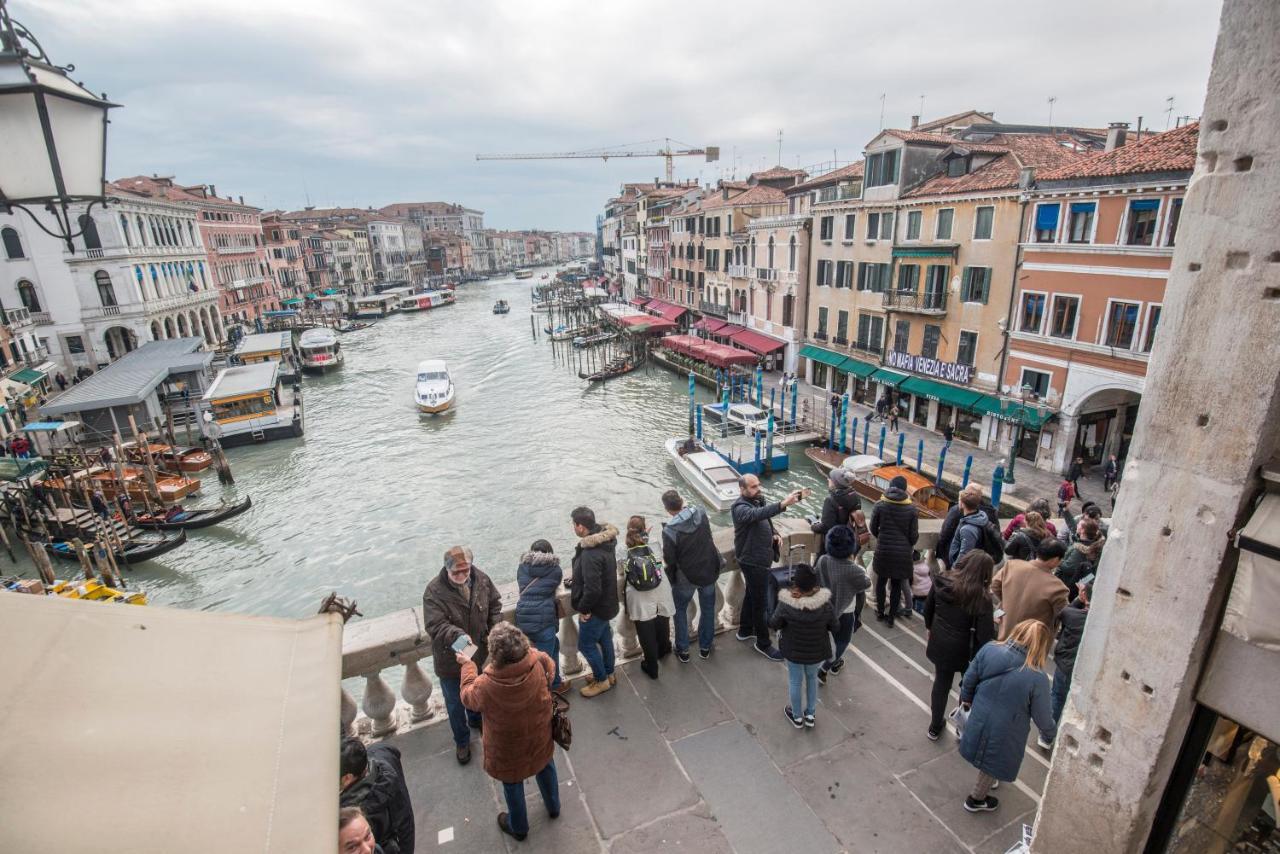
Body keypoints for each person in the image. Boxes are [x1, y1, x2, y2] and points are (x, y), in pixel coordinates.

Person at [459, 623, 560, 842]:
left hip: (507, 746)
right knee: (545, 765)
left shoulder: (486, 684)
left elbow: (468, 697)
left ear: (495, 654)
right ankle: (554, 806)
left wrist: (467, 666)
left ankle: (519, 827)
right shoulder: (538, 660)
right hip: (539, 732)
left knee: (512, 782)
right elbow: (551, 672)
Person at [958, 619, 1057, 813]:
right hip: (1007, 728)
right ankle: (976, 799)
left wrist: (967, 699)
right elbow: (1043, 717)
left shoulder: (990, 649)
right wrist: (1052, 732)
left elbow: (969, 678)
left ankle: (988, 782)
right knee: (992, 757)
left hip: (981, 713)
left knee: (987, 753)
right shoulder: (1037, 678)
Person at [422, 545, 503, 765]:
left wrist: (494, 628)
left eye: (466, 570)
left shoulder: (481, 579)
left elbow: (495, 604)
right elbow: (435, 626)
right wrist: (458, 635)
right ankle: (462, 740)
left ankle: (477, 720)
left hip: (477, 654)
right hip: (451, 659)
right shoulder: (433, 592)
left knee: (478, 692)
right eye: (457, 572)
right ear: (446, 569)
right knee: (455, 704)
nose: (463, 575)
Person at [924, 551, 996, 741]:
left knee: (941, 683)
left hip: (941, 641)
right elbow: (985, 635)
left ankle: (934, 726)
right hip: (967, 650)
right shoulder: (981, 597)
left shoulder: (942, 580)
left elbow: (928, 609)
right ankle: (961, 726)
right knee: (967, 687)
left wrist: (930, 628)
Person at [731, 474, 803, 660]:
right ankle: (763, 643)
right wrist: (783, 504)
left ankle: (745, 630)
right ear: (742, 489)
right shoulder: (739, 508)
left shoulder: (758, 499)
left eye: (758, 485)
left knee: (751, 594)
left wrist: (775, 533)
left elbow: (766, 520)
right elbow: (756, 515)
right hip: (752, 561)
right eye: (753, 486)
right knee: (760, 605)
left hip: (760, 558)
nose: (758, 489)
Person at [768, 563, 838, 728]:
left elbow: (774, 623)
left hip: (793, 651)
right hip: (816, 651)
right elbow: (836, 627)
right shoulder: (825, 605)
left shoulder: (787, 603)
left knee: (795, 681)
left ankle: (797, 716)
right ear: (815, 585)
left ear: (796, 584)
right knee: (812, 679)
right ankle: (811, 714)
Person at [661, 489, 722, 661]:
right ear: (681, 500)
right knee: (708, 609)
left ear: (667, 509)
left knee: (679, 610)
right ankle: (705, 647)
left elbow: (670, 559)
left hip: (685, 577)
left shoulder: (670, 530)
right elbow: (708, 536)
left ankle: (683, 649)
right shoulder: (700, 512)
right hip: (708, 570)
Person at [568, 506, 621, 697]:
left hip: (596, 608)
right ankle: (609, 673)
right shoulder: (607, 542)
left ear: (581, 527)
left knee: (586, 645)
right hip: (608, 603)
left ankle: (601, 680)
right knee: (605, 638)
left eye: (574, 524)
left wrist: (584, 609)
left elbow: (592, 589)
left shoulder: (590, 553)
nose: (573, 528)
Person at [339, 738, 414, 854]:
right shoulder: (382, 757)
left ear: (347, 778)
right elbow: (393, 751)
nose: (367, 850)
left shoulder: (349, 811)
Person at [815, 524, 869, 684]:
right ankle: (825, 668)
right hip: (845, 612)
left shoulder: (823, 560)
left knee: (828, 638)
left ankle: (833, 662)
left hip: (824, 607)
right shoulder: (855, 570)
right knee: (842, 642)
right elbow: (867, 584)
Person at [623, 515, 675, 679]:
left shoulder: (622, 549)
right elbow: (659, 563)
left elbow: (621, 571)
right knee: (662, 619)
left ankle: (651, 666)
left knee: (645, 630)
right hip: (659, 586)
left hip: (639, 594)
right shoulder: (653, 541)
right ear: (645, 528)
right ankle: (664, 649)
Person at [990, 537, 1069, 640]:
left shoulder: (1012, 565)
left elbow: (995, 585)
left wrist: (1008, 601)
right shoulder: (1058, 588)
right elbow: (1064, 614)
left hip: (1004, 628)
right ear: (1055, 559)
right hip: (1031, 641)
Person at [515, 539, 565, 694]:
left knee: (553, 646)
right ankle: (545, 696)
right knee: (543, 662)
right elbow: (553, 588)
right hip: (543, 621)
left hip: (523, 619)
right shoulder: (555, 570)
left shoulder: (522, 568)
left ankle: (556, 683)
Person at [870, 474, 918, 628]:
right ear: (904, 489)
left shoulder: (880, 504)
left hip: (883, 550)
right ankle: (891, 617)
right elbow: (913, 536)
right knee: (896, 585)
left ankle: (879, 613)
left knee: (881, 582)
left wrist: (882, 537)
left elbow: (872, 528)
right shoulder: (911, 508)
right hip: (902, 554)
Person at [1048, 581, 1092, 744]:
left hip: (1065, 664)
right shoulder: (1097, 621)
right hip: (1085, 670)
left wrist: (1080, 600)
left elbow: (1063, 612)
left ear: (1084, 595)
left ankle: (1047, 736)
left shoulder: (1074, 615)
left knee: (1057, 697)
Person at [938, 484, 997, 570]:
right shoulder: (988, 512)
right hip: (981, 560)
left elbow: (945, 534)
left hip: (960, 563)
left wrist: (942, 556)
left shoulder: (958, 514)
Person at [809, 467, 860, 552]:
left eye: (830, 478)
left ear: (835, 483)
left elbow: (825, 527)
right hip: (848, 540)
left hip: (833, 544)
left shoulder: (830, 500)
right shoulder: (856, 497)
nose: (827, 479)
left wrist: (813, 525)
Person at [1056, 520, 1104, 598]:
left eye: (1079, 524)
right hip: (1080, 585)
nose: (1077, 525)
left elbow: (1069, 568)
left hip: (1068, 586)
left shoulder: (1079, 550)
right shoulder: (1094, 546)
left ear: (1082, 530)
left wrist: (1057, 560)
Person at [948, 490, 992, 567]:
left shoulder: (968, 529)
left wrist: (955, 568)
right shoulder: (981, 517)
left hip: (963, 570)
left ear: (963, 504)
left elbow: (964, 555)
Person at [909, 549, 931, 617]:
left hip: (919, 594)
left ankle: (917, 613)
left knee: (918, 608)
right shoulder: (925, 565)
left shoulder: (912, 569)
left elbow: (910, 582)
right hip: (929, 590)